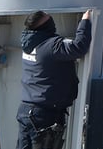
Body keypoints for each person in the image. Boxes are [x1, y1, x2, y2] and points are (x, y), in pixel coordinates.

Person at [17, 9, 93, 149]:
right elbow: (79, 47)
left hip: (27, 110)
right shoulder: (52, 45)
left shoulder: (28, 43)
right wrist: (85, 21)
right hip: (44, 115)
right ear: (45, 26)